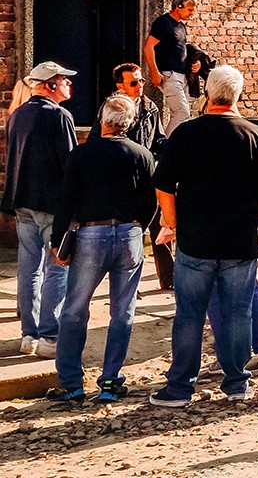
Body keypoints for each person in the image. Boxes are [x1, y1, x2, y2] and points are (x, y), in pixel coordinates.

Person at [148, 65, 258, 407]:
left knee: (189, 314)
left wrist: (173, 221)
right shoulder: (254, 135)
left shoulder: (187, 133)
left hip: (196, 240)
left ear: (207, 94)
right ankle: (237, 382)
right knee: (237, 312)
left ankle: (180, 387)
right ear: (237, 96)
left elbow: (163, 184)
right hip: (240, 239)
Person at [45, 95, 156, 404]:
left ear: (102, 121)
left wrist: (58, 241)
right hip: (129, 233)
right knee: (122, 311)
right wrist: (138, 229)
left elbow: (66, 201)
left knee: (75, 308)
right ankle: (110, 381)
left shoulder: (80, 155)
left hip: (90, 234)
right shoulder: (141, 155)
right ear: (130, 123)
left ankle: (71, 383)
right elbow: (151, 203)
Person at [3, 62, 78, 358]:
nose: (69, 85)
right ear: (49, 86)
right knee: (57, 267)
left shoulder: (17, 115)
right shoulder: (59, 116)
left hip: (23, 201)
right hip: (52, 204)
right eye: (63, 81)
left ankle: (29, 334)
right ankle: (49, 335)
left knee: (29, 268)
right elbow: (71, 165)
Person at [88, 64, 171, 289]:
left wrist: (167, 154)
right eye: (134, 82)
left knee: (157, 220)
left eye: (141, 80)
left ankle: (168, 277)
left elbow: (159, 139)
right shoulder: (110, 109)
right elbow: (98, 139)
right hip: (121, 176)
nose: (140, 86)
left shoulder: (150, 107)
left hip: (147, 171)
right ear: (120, 86)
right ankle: (120, 277)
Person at [143, 0, 197, 134]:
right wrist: (154, 72)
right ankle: (165, 148)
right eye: (189, 10)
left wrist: (196, 63)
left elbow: (182, 49)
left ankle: (173, 148)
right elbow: (148, 46)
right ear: (178, 6)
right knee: (182, 113)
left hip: (182, 76)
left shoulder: (181, 26)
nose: (192, 14)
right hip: (169, 75)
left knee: (181, 115)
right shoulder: (163, 22)